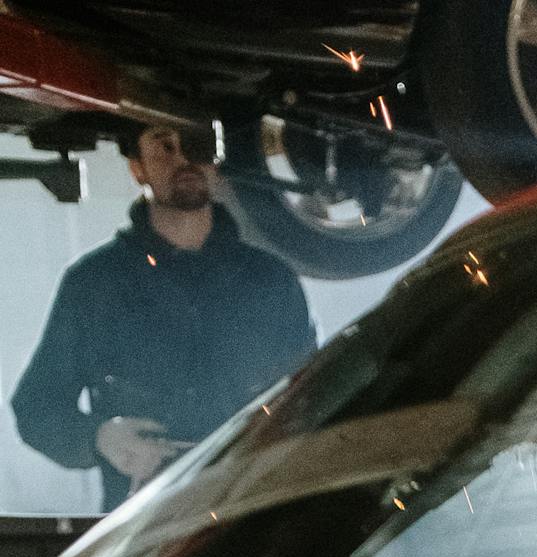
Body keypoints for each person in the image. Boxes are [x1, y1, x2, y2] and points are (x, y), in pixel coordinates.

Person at [12, 122, 315, 510]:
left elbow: (311, 397)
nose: (185, 159)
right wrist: (102, 438)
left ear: (217, 160)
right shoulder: (94, 284)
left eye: (199, 146)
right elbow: (37, 407)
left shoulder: (271, 281)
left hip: (252, 511)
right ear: (136, 167)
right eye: (164, 147)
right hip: (143, 524)